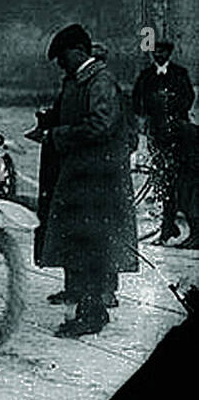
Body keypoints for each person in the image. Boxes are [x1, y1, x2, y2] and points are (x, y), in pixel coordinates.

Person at [38, 23, 137, 337]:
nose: (61, 64)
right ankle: (89, 308)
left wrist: (58, 135)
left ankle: (91, 315)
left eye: (63, 57)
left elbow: (100, 125)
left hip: (98, 181)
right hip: (82, 177)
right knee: (81, 247)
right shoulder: (80, 81)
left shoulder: (100, 81)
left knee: (92, 248)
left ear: (76, 51)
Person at [132, 40, 195, 245]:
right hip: (157, 136)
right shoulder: (146, 76)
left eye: (162, 51)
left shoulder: (179, 73)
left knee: (181, 180)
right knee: (162, 182)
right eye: (155, 51)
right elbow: (136, 102)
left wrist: (172, 108)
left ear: (169, 53)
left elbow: (188, 98)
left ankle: (177, 224)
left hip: (179, 137)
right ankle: (167, 227)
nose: (158, 54)